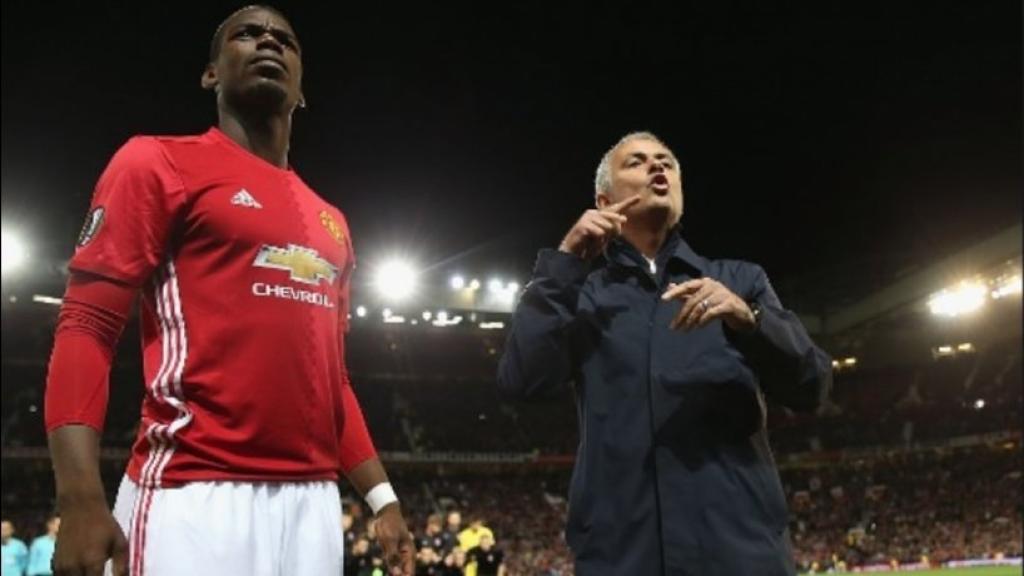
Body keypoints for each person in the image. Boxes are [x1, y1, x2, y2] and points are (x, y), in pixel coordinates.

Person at [43, 6, 414, 576]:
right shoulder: (157, 162)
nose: (268, 40)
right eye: (247, 33)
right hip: (193, 493)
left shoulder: (331, 222)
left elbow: (332, 379)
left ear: (302, 87)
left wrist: (381, 497)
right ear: (211, 73)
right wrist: (79, 498)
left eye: (284, 39)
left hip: (314, 505)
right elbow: (87, 326)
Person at [498, 131, 832, 575]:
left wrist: (750, 319)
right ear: (603, 201)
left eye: (666, 162)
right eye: (636, 162)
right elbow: (522, 380)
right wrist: (564, 264)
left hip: (739, 554)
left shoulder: (739, 282)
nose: (657, 167)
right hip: (622, 556)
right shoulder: (582, 295)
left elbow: (813, 386)